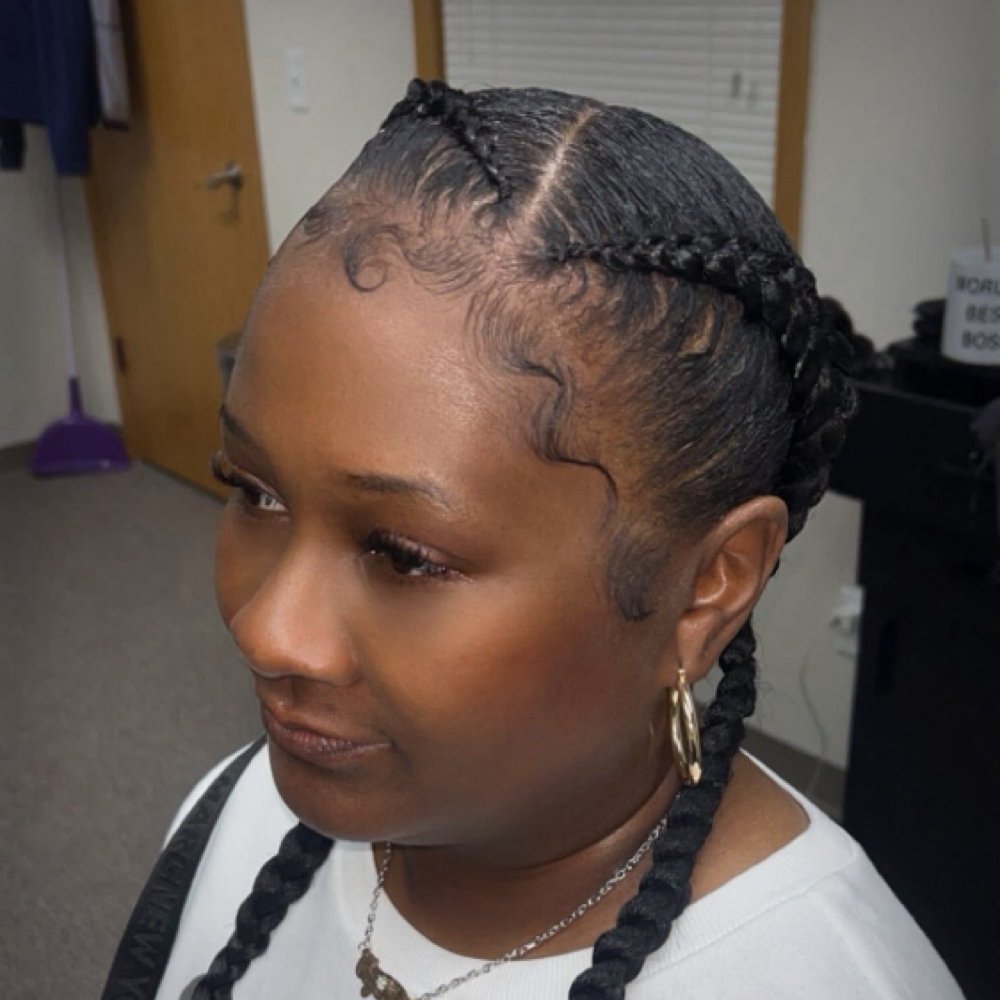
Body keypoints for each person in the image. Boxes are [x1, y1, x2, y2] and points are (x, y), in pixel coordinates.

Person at [110, 81, 964, 1000]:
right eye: (252, 490)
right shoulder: (229, 822)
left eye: (403, 553)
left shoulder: (828, 978)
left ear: (707, 585)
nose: (266, 630)